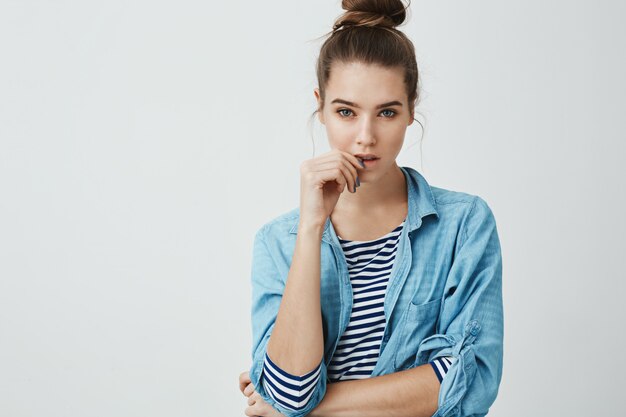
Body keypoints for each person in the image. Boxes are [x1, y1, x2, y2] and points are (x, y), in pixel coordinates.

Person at [238, 1, 504, 416]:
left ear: (411, 110)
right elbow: (290, 391)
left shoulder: (464, 225)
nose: (365, 137)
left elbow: (467, 382)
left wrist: (305, 409)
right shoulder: (278, 242)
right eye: (346, 111)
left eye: (387, 112)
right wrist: (311, 227)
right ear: (320, 108)